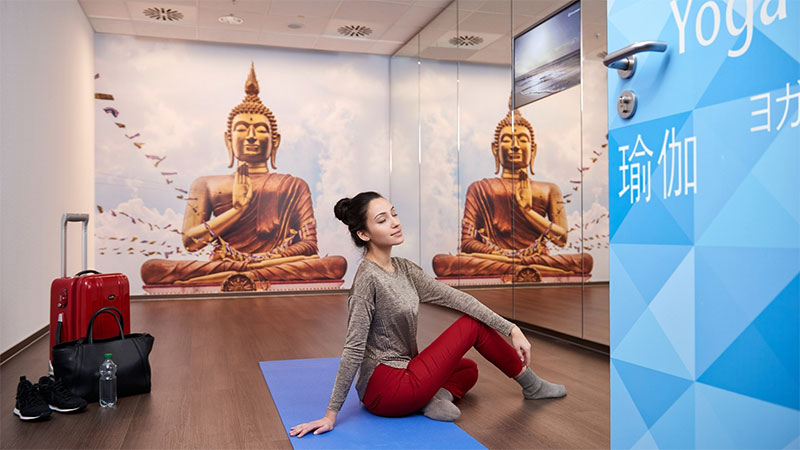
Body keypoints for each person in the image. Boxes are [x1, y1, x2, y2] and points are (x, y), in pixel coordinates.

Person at [290, 191, 566, 438]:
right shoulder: (367, 280)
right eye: (383, 220)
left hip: (408, 374)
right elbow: (353, 348)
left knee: (468, 369)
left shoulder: (404, 269)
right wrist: (330, 414)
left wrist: (511, 328)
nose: (395, 222)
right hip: (387, 390)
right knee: (471, 326)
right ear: (364, 234)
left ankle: (431, 399)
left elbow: (458, 298)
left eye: (394, 214)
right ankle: (532, 386)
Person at [140, 63, 346, 287]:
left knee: (335, 265)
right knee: (152, 270)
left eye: (260, 129)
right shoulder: (206, 184)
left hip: (273, 263)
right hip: (227, 263)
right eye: (242, 129)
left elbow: (309, 246)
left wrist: (262, 260)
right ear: (229, 140)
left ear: (274, 141)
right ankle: (250, 272)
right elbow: (191, 243)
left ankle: (249, 272)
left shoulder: (294, 185)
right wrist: (238, 210)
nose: (250, 137)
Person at [432, 108, 592, 281]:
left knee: (584, 261)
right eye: (507, 140)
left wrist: (527, 212)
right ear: (495, 149)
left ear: (533, 149)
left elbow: (561, 239)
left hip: (534, 257)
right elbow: (467, 243)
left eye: (522, 140)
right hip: (495, 258)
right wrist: (501, 255)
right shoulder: (479, 188)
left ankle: (518, 266)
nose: (515, 146)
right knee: (442, 262)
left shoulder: (549, 189)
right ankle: (520, 266)